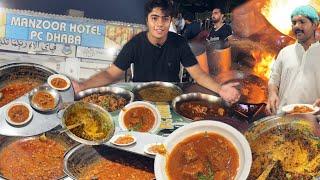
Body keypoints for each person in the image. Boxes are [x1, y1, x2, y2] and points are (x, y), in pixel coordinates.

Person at [72, 0, 240, 103]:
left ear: (170, 21)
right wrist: (82, 85)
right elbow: (110, 74)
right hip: (139, 100)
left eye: (165, 19)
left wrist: (220, 89)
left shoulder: (179, 43)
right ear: (147, 20)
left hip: (171, 101)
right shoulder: (135, 44)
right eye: (155, 18)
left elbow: (199, 75)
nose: (160, 24)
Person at [266, 5, 320, 114]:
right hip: (284, 115)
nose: (297, 26)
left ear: (314, 25)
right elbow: (274, 79)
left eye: (302, 22)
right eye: (294, 23)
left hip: (314, 118)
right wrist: (272, 94)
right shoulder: (284, 52)